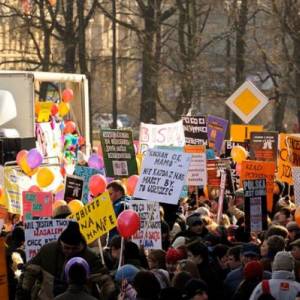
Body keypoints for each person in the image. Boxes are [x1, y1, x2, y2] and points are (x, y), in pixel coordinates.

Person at [16, 221, 104, 300]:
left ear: (80, 245)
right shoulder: (47, 251)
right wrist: (23, 294)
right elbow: (30, 272)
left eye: (74, 248)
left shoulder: (90, 256)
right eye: (67, 248)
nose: (70, 251)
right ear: (61, 243)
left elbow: (104, 280)